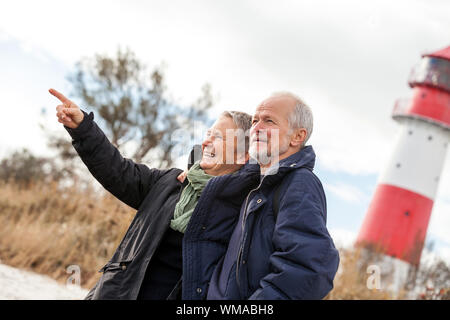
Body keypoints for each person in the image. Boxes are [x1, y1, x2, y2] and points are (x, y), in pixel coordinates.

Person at [49, 88, 253, 300]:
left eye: (218, 137)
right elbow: (117, 170)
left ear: (243, 156)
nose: (205, 142)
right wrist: (84, 128)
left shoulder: (244, 211)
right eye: (208, 134)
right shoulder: (170, 182)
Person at [205, 92, 340, 299]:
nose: (256, 128)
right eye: (255, 121)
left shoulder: (299, 183)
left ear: (298, 136)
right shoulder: (253, 182)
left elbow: (310, 269)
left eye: (269, 121)